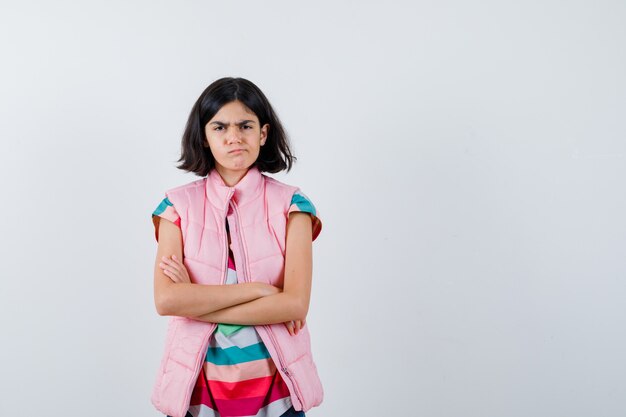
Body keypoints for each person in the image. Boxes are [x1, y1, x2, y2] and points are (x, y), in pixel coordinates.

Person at [150, 77, 323, 417]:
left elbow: (295, 304)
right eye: (220, 127)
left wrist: (195, 302)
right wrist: (260, 291)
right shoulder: (175, 207)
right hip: (198, 396)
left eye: (246, 125)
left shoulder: (293, 205)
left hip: (277, 396)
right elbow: (167, 300)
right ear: (204, 136)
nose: (234, 137)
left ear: (263, 133)